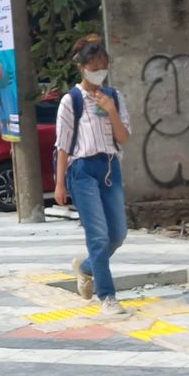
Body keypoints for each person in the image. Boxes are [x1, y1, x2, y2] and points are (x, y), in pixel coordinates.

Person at [54, 34, 131, 315]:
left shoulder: (115, 98)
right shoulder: (71, 101)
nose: (99, 72)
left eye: (103, 67)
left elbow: (123, 138)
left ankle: (85, 267)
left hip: (110, 167)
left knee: (118, 233)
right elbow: (62, 145)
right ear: (82, 67)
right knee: (97, 236)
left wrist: (111, 111)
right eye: (94, 67)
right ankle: (107, 297)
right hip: (82, 170)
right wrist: (60, 183)